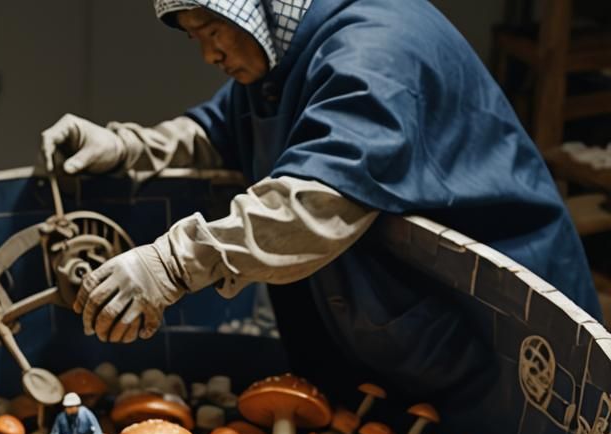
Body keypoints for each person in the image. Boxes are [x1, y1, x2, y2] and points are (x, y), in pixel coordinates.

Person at [40, 0, 600, 407]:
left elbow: (314, 205)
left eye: (213, 31)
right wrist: (127, 146)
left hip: (506, 328)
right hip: (407, 329)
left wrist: (172, 263)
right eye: (195, 39)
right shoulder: (283, 56)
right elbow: (224, 127)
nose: (210, 54)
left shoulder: (373, 50)